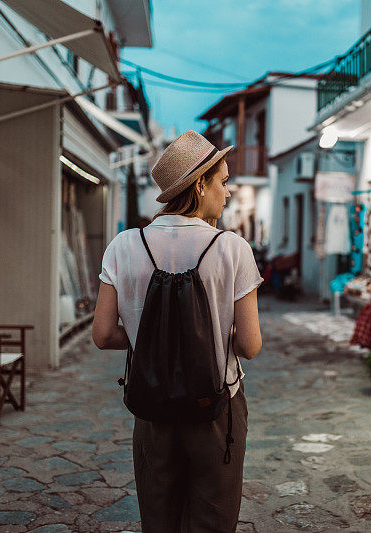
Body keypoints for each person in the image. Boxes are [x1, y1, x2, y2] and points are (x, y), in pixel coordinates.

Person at [92, 130, 263, 532]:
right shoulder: (231, 248)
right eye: (222, 181)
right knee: (212, 518)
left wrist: (151, 340)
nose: (228, 192)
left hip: (151, 403)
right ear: (200, 183)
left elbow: (102, 335)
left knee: (159, 515)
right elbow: (249, 345)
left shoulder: (123, 244)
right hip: (217, 405)